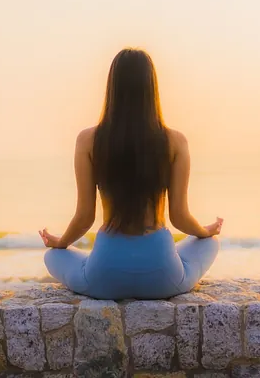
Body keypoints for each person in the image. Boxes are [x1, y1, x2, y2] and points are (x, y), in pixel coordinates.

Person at [39, 48, 223, 300]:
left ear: (112, 86)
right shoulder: (174, 142)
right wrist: (206, 231)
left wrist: (61, 243)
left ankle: (91, 264)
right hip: (162, 275)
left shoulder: (88, 141)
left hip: (105, 273)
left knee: (53, 256)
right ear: (152, 88)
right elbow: (179, 217)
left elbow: (84, 217)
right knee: (209, 244)